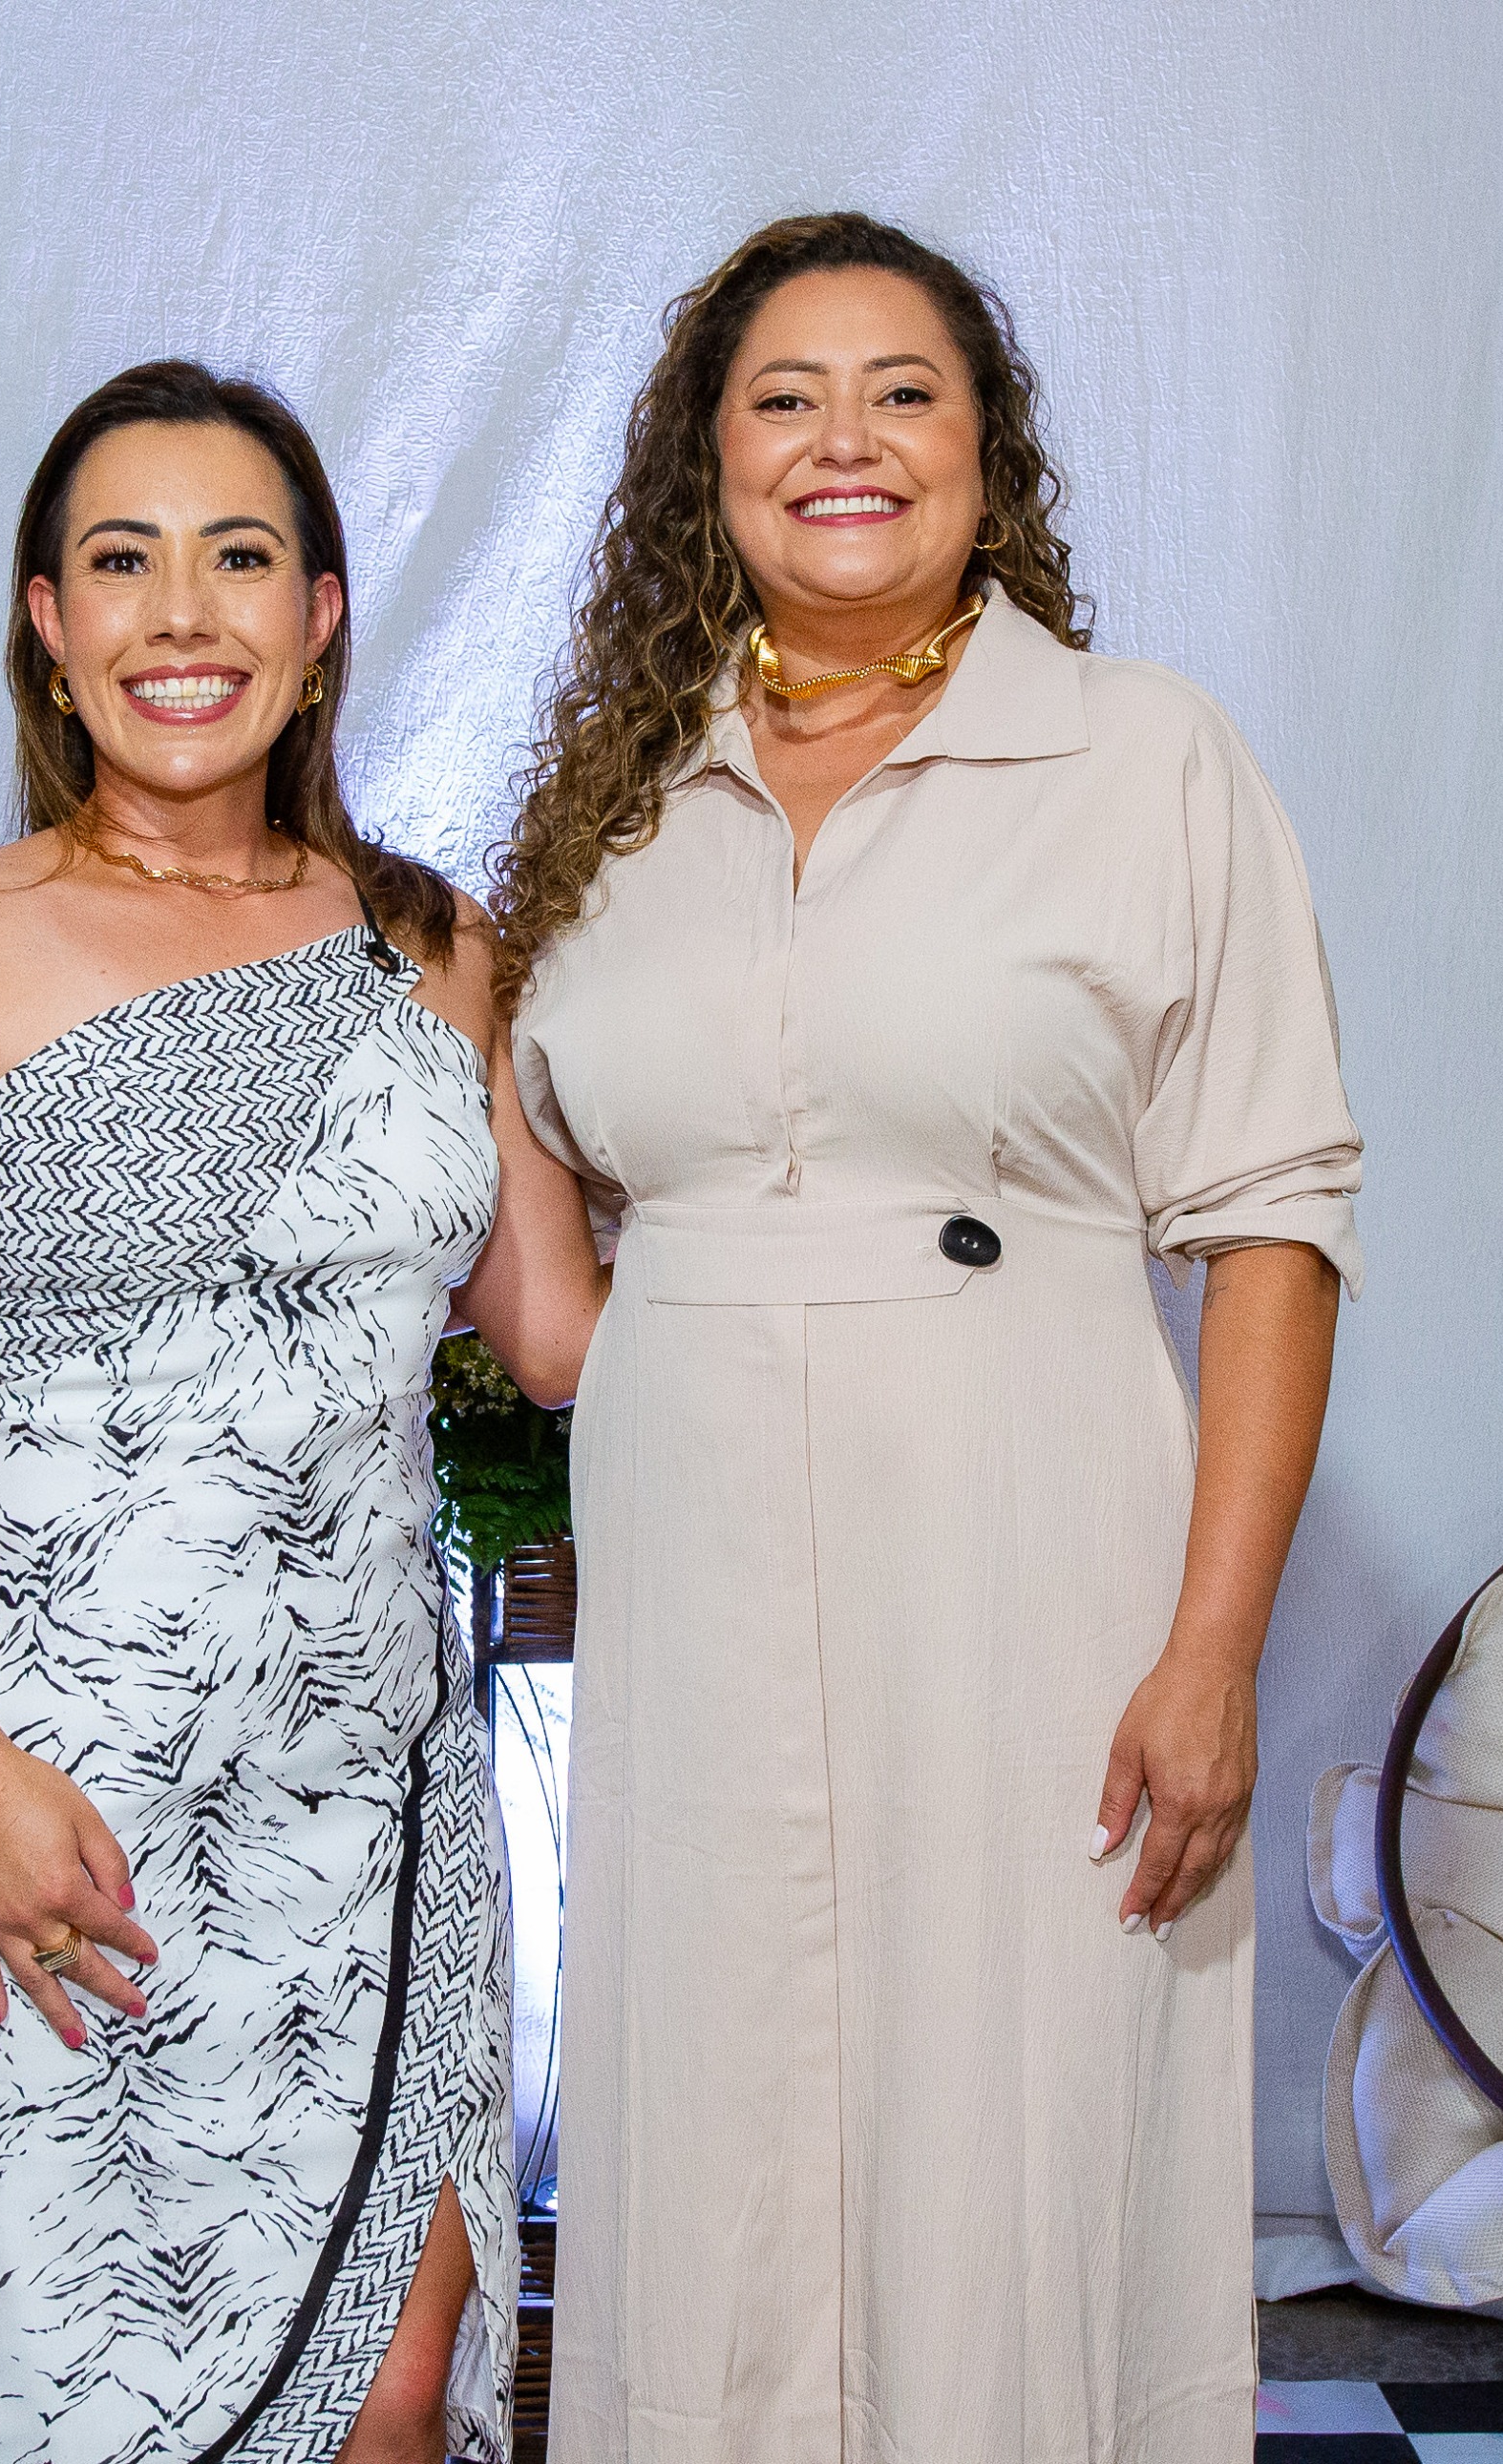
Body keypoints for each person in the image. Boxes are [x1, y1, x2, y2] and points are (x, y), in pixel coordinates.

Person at [467, 213, 1363, 2463]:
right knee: (723, 2116)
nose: (841, 440)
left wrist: (1215, 1649)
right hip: (695, 1561)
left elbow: (1270, 1225)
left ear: (986, 449)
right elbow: (556, 1317)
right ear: (707, 465)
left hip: (1028, 1538)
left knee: (1014, 2107)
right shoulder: (613, 804)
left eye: (901, 392)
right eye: (782, 398)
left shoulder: (1142, 759)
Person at [0, 361, 526, 2464]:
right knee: (88, 2401)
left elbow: (561, 1330)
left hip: (368, 1785)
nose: (182, 613)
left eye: (238, 557)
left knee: (385, 2393)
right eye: (123, 561)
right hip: (50, 1794)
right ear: (48, 620)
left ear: (321, 616)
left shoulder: (433, 951)